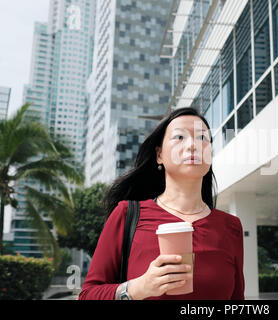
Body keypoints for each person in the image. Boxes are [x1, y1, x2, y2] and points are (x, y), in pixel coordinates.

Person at [78, 107, 245, 300]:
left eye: (202, 138)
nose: (193, 145)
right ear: (159, 155)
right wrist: (136, 289)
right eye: (179, 137)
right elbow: (88, 295)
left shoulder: (231, 227)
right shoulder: (127, 214)